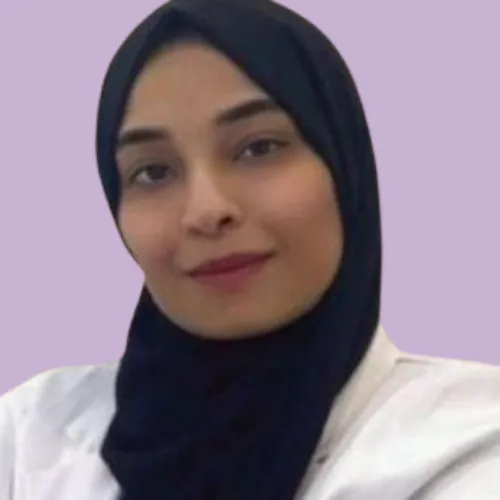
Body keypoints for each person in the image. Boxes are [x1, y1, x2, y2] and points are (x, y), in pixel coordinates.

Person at [1, 0, 499, 498]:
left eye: (259, 148)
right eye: (152, 172)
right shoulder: (31, 437)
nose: (206, 210)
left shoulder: (468, 446)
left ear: (344, 166)